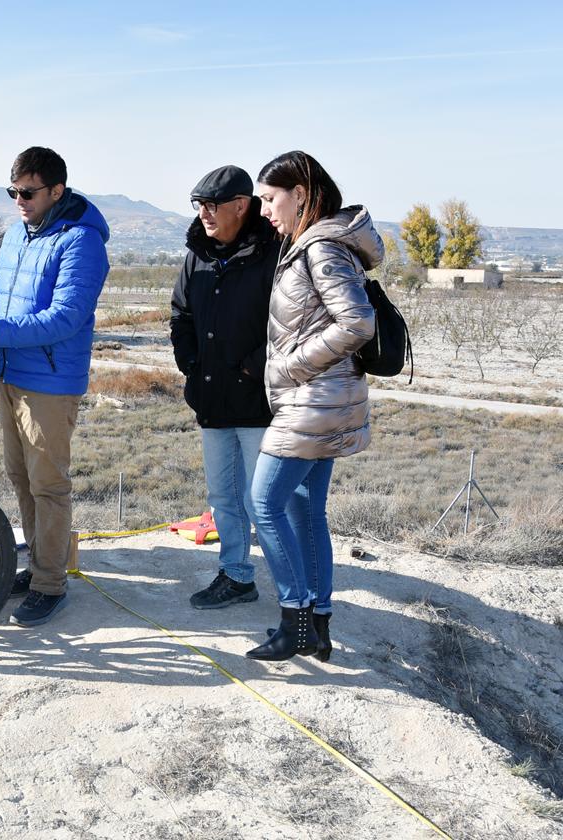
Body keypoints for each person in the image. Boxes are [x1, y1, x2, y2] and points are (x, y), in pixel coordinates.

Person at [0, 146, 110, 627]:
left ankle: (50, 583)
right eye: (14, 192)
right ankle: (38, 565)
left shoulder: (82, 243)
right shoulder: (16, 235)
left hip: (49, 381)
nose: (19, 201)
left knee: (49, 485)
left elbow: (67, 317)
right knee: (21, 479)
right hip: (11, 374)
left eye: (28, 193)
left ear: (57, 191)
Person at [245, 151, 380, 662]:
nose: (264, 210)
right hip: (322, 400)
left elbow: (357, 322)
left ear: (300, 193)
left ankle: (294, 620)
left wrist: (290, 368)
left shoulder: (320, 249)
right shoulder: (312, 245)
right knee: (304, 511)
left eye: (270, 198)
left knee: (263, 503)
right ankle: (316, 626)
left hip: (312, 399)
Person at [171, 165, 280, 610]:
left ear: (242, 204)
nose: (204, 214)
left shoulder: (274, 250)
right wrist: (192, 366)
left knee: (266, 503)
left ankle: (296, 592)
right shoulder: (197, 252)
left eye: (212, 205)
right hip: (212, 399)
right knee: (222, 497)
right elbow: (181, 314)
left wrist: (254, 370)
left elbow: (286, 324)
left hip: (258, 402)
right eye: (199, 206)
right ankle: (236, 576)